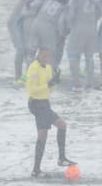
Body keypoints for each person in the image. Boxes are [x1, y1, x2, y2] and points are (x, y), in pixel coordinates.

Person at [25, 47, 75, 177]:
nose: (46, 59)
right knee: (50, 131)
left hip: (45, 103)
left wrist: (54, 83)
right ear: (38, 55)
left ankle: (56, 161)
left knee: (55, 128)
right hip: (36, 103)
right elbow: (32, 90)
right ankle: (41, 168)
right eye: (44, 56)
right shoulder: (33, 68)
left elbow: (48, 91)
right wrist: (48, 84)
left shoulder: (48, 68)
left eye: (48, 57)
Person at [64, 0, 100, 90]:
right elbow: (98, 11)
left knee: (73, 55)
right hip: (92, 28)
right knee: (89, 57)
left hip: (78, 27)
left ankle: (77, 84)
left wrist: (68, 25)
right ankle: (90, 83)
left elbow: (71, 13)